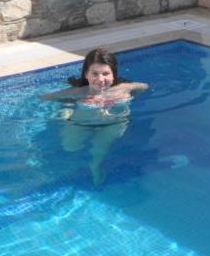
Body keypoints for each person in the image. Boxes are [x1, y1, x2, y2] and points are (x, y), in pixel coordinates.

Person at [41, 48, 149, 184]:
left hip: (114, 123)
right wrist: (66, 109)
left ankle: (95, 165)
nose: (100, 79)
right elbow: (45, 97)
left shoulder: (124, 88)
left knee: (100, 147)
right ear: (86, 74)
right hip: (80, 123)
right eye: (95, 74)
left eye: (106, 74)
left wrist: (128, 95)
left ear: (113, 74)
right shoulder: (78, 92)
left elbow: (144, 86)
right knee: (70, 146)